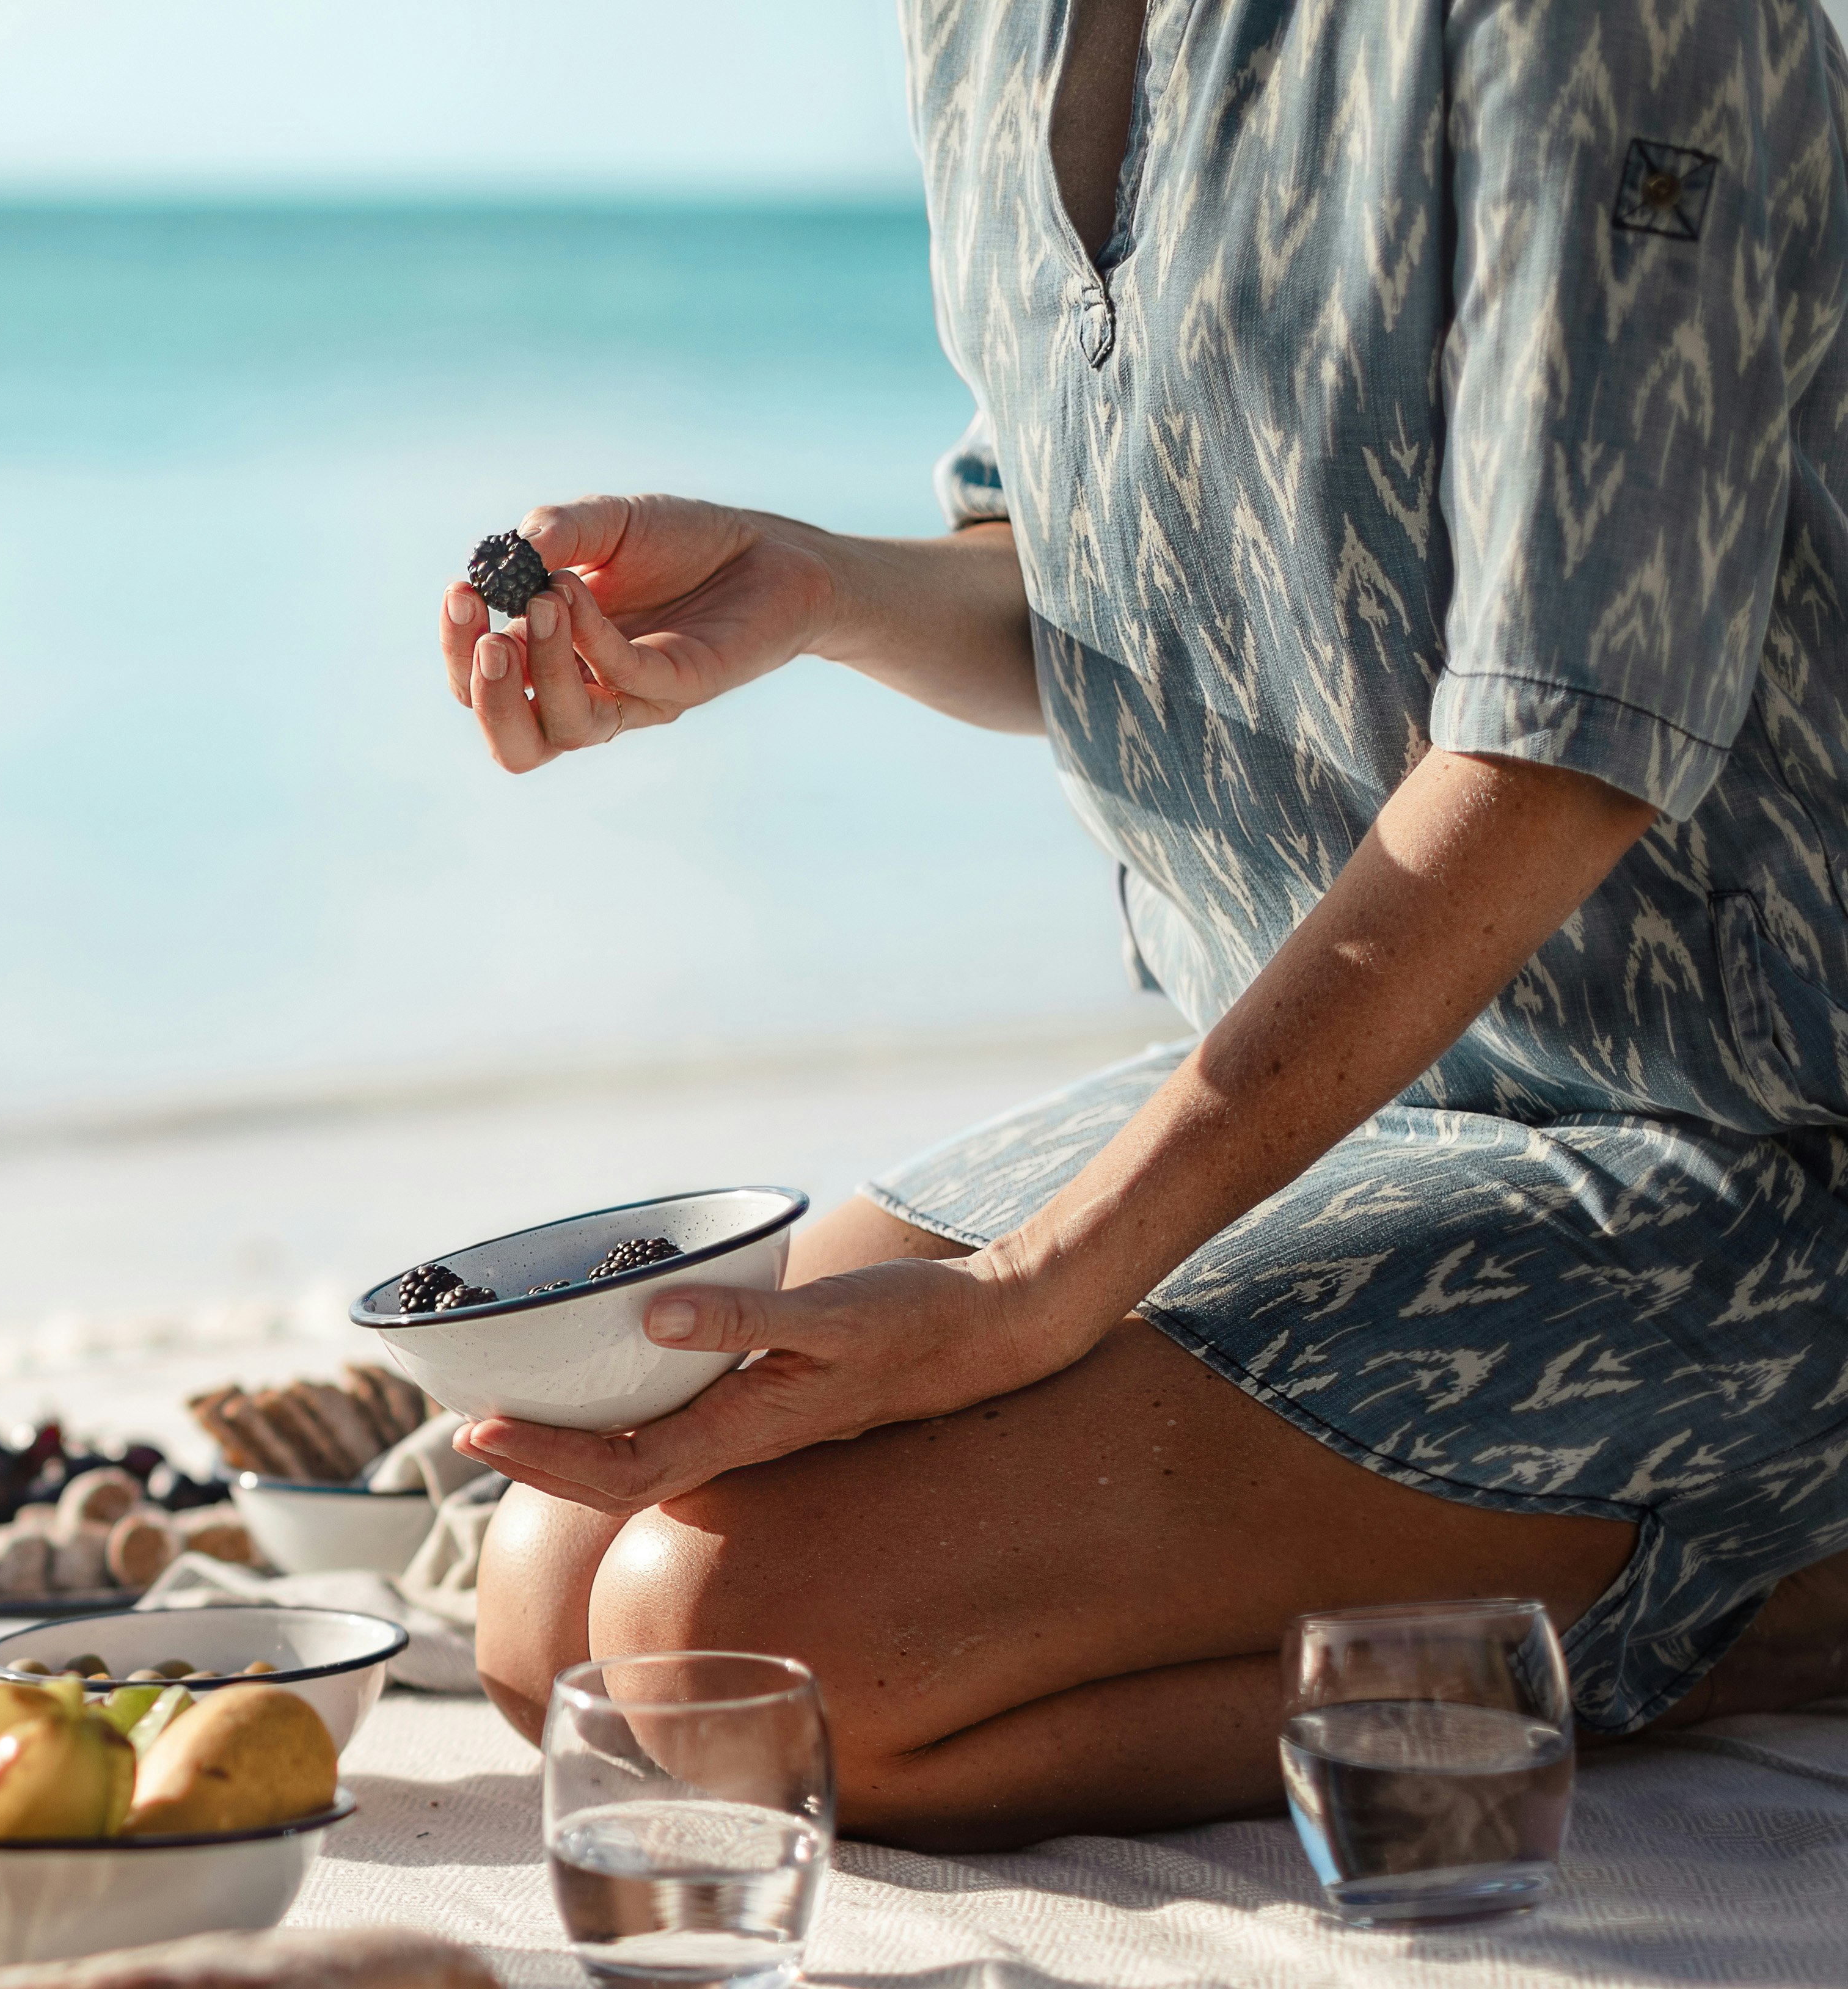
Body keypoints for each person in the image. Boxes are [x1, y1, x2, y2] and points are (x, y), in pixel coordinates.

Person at [448, 0, 1848, 1848]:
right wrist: (816, 590)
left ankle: (1776, 1602)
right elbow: (1079, 579)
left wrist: (1039, 1292)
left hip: (1749, 1138)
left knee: (732, 1649)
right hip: (1355, 1107)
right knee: (558, 1607)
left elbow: (1560, 744)